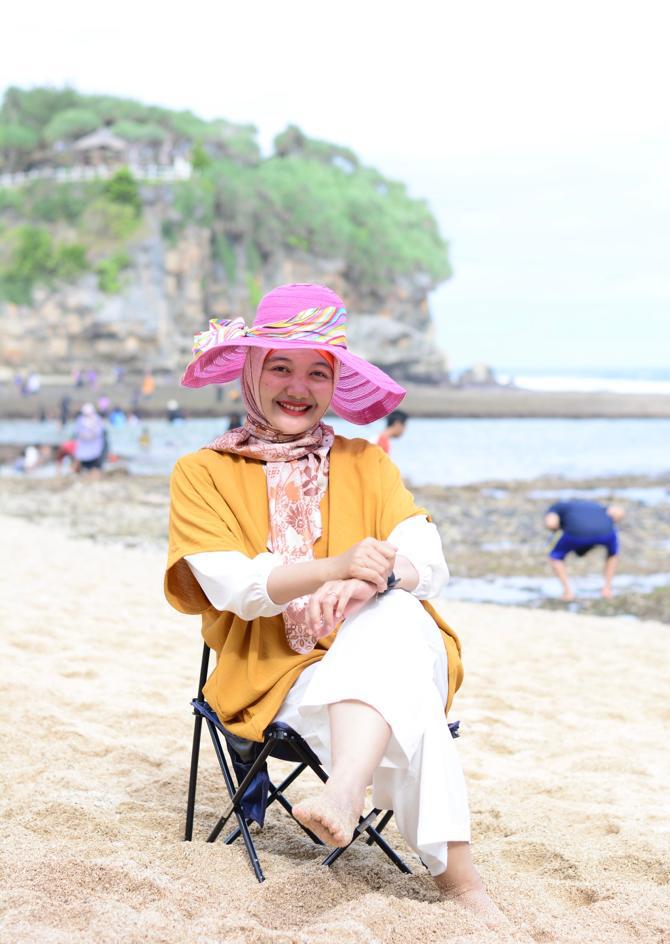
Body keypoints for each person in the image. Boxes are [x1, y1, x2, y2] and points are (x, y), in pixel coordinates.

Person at [164, 283, 503, 925]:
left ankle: (344, 790)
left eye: (318, 372)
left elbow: (427, 558)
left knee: (394, 611)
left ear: (335, 382)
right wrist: (337, 568)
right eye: (280, 368)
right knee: (408, 692)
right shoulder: (202, 473)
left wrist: (375, 580)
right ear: (250, 371)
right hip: (283, 679)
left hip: (387, 652)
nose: (299, 387)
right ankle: (462, 887)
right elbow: (235, 587)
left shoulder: (365, 463)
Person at [544, 499, 625, 601]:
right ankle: (607, 590)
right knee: (613, 553)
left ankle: (568, 593)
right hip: (606, 532)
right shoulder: (596, 505)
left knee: (555, 557)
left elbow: (551, 523)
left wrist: (557, 530)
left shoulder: (557, 507)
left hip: (576, 532)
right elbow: (618, 512)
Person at [73, 402, 106, 477]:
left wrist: (91, 435)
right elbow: (77, 432)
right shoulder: (80, 420)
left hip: (95, 448)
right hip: (83, 448)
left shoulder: (97, 419)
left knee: (95, 464)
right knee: (85, 465)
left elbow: (100, 431)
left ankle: (95, 472)